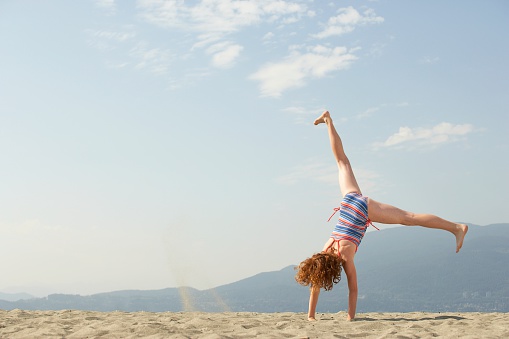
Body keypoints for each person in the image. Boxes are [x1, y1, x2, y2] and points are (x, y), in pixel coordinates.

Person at [295, 110, 468, 321]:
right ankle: (328, 120)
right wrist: (311, 317)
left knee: (409, 217)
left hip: (363, 210)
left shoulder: (344, 256)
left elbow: (353, 289)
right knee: (342, 161)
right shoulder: (326, 247)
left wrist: (350, 317)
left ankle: (456, 228)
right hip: (350, 202)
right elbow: (316, 279)